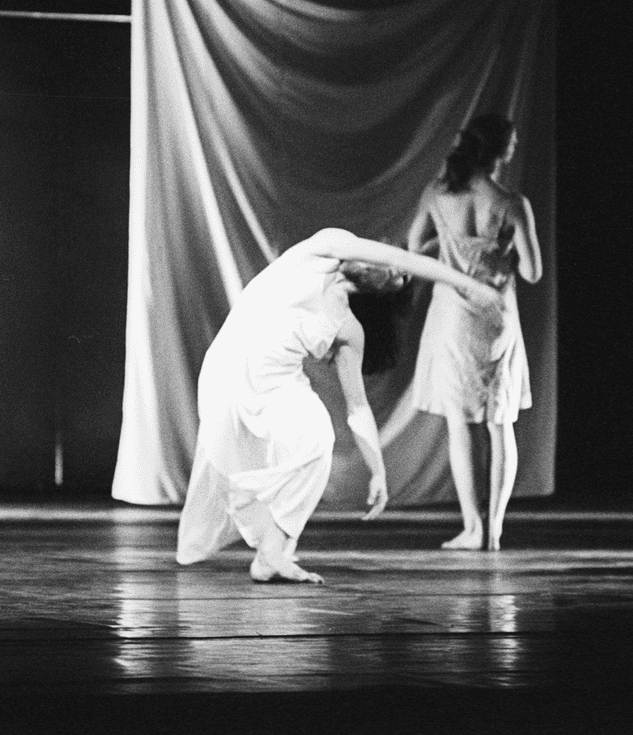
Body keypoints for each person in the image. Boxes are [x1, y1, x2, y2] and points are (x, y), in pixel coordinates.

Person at [175, 228, 504, 583]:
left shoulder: (348, 329)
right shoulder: (325, 247)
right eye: (394, 262)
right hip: (229, 368)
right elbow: (404, 258)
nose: (397, 271)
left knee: (317, 434)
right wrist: (470, 285)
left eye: (400, 279)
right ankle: (271, 546)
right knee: (240, 458)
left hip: (278, 385)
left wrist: (378, 471)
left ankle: (272, 555)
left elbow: (358, 408)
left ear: (383, 294)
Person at [407, 113, 542, 552]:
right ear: (500, 149)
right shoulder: (511, 203)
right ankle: (496, 529)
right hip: (495, 317)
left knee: (459, 426)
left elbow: (413, 248)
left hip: (452, 318)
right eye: (514, 141)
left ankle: (471, 527)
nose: (517, 146)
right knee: (499, 423)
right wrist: (496, 255)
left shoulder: (438, 194)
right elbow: (534, 272)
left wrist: (449, 245)